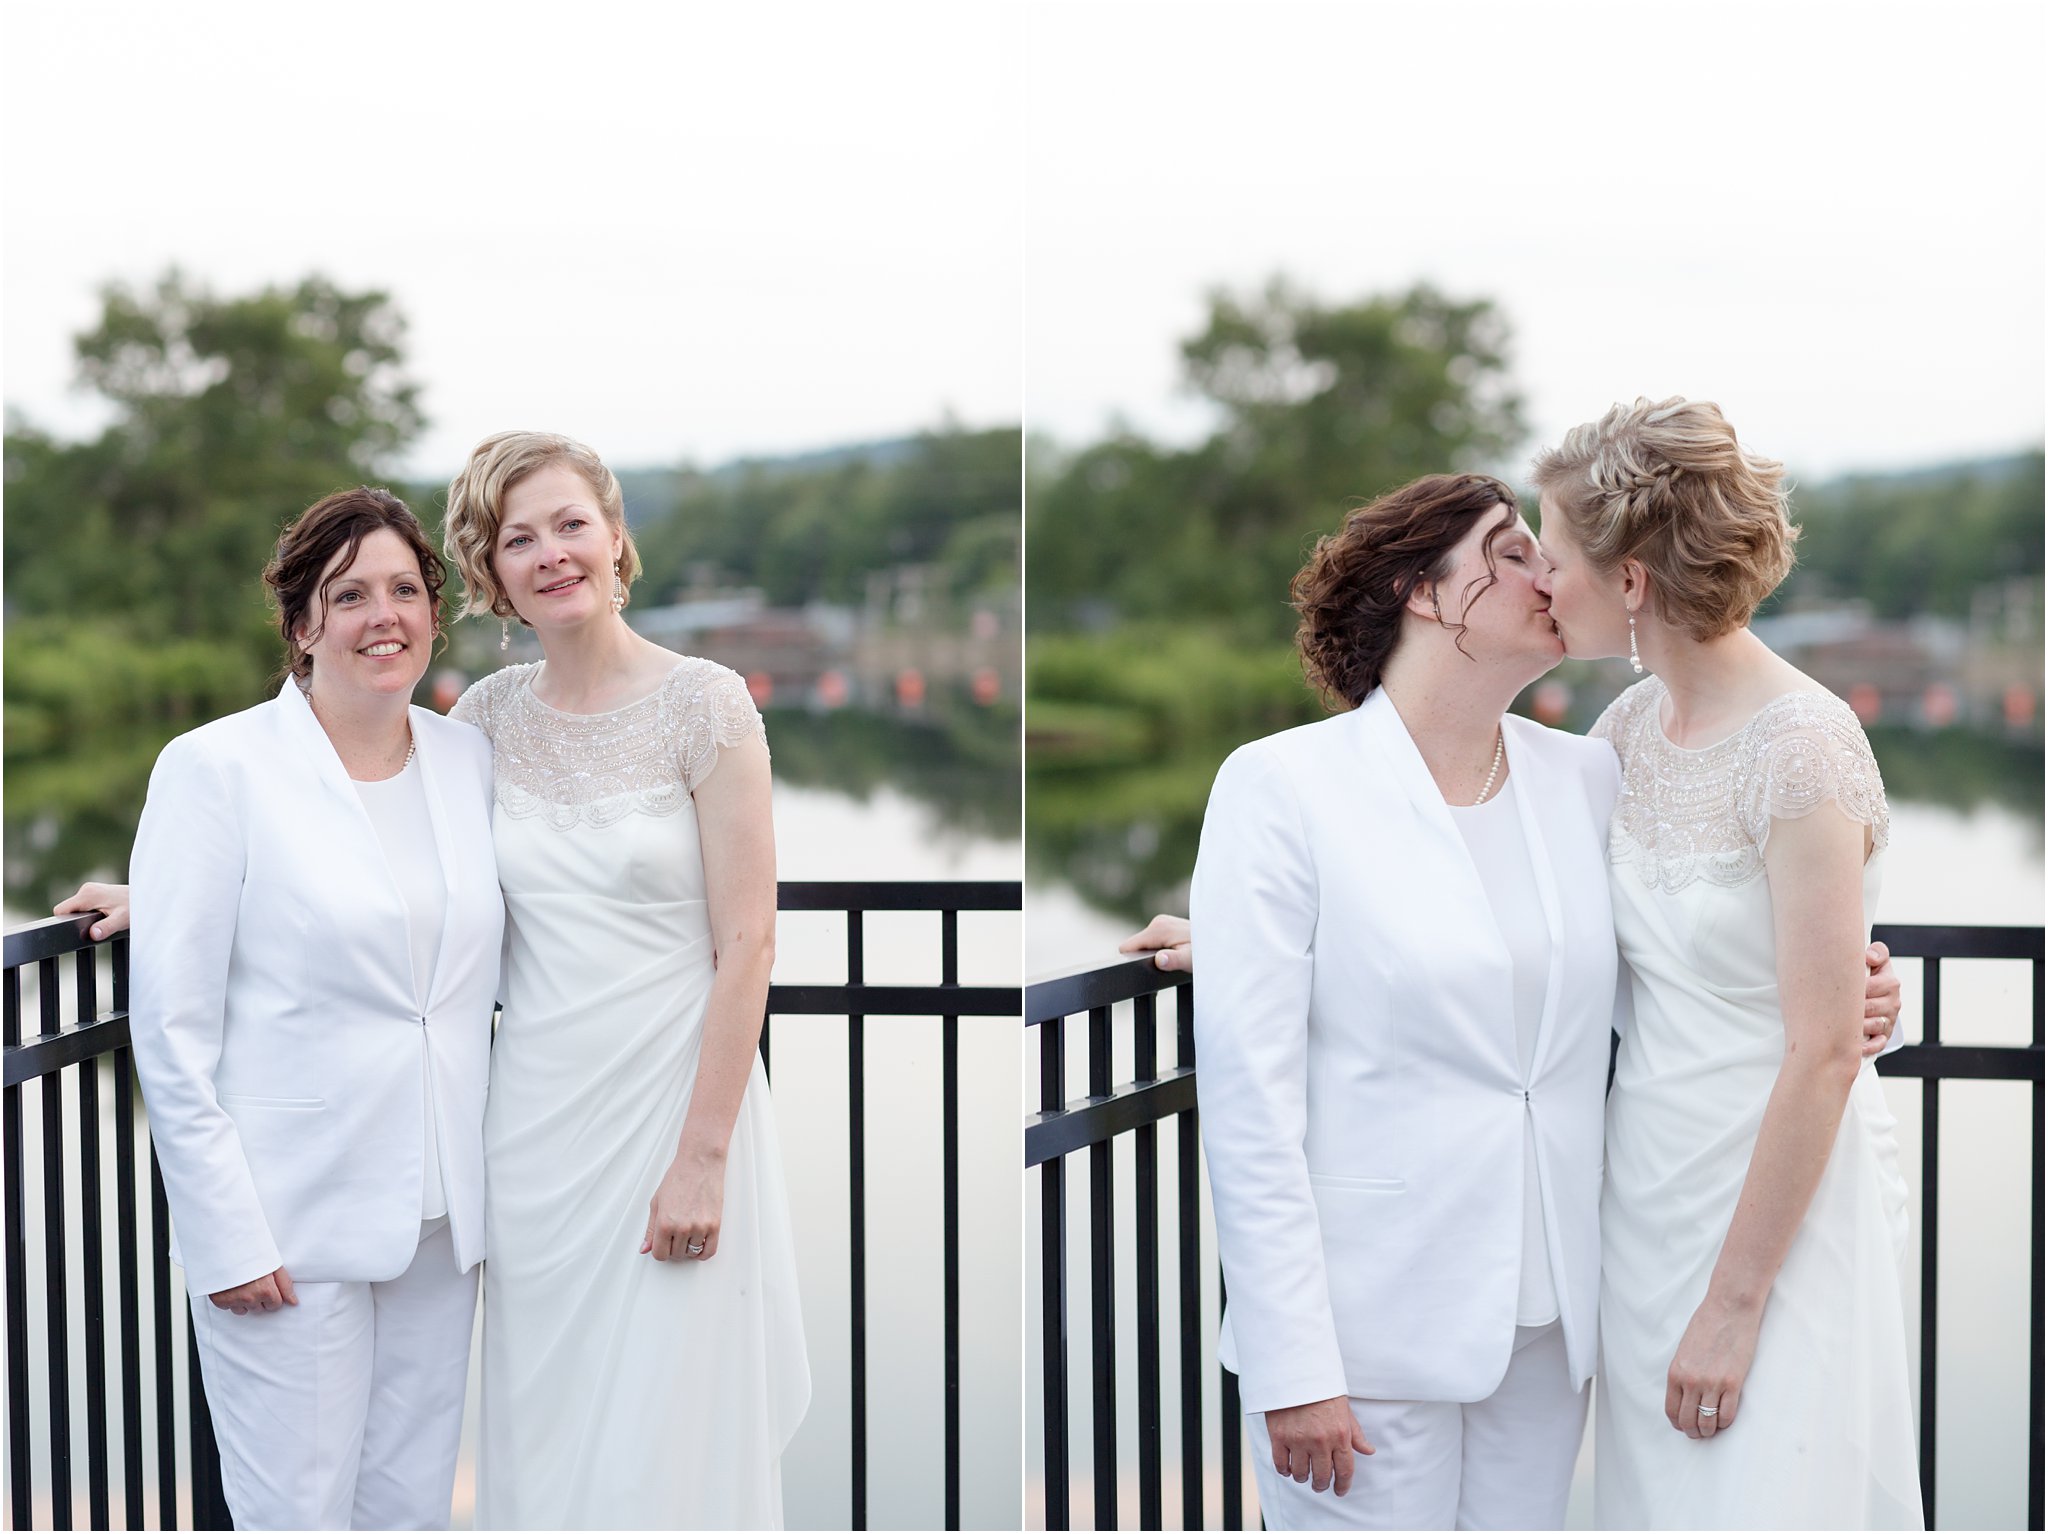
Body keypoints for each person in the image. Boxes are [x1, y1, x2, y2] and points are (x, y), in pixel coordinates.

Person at [1163, 471, 1901, 1531]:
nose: (1545, 572)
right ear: (1423, 593)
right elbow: (1249, 1109)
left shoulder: (1588, 773)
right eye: (1509, 552)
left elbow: (1699, 943)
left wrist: (1860, 990)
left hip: (1550, 1325)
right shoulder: (1279, 787)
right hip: (1368, 1332)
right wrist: (1291, 1361)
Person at [1532, 398, 1920, 1528]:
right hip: (1645, 1198)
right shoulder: (1623, 733)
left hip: (1774, 1211)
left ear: (1632, 581)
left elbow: (1817, 1055)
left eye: (1554, 555)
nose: (1540, 579)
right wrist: (1269, 942)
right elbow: (1508, 910)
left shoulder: (1802, 748)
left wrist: (1734, 1304)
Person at [441, 430, 809, 1528]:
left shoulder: (705, 703)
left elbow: (748, 942)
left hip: (671, 1120)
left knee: (668, 1446)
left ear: (614, 537)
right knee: (543, 1442)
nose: (550, 552)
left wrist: (701, 1159)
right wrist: (172, 901)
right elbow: (380, 869)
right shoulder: (480, 722)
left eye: (569, 524)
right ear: (490, 572)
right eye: (518, 538)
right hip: (534, 1136)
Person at [119, 488, 504, 1529]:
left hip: (440, 1221)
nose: (383, 615)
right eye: (349, 595)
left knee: (409, 1510)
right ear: (302, 625)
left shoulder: (468, 759)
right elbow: (174, 1029)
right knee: (294, 1513)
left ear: (433, 607)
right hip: (288, 1230)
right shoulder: (215, 768)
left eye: (404, 589)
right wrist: (225, 1235)